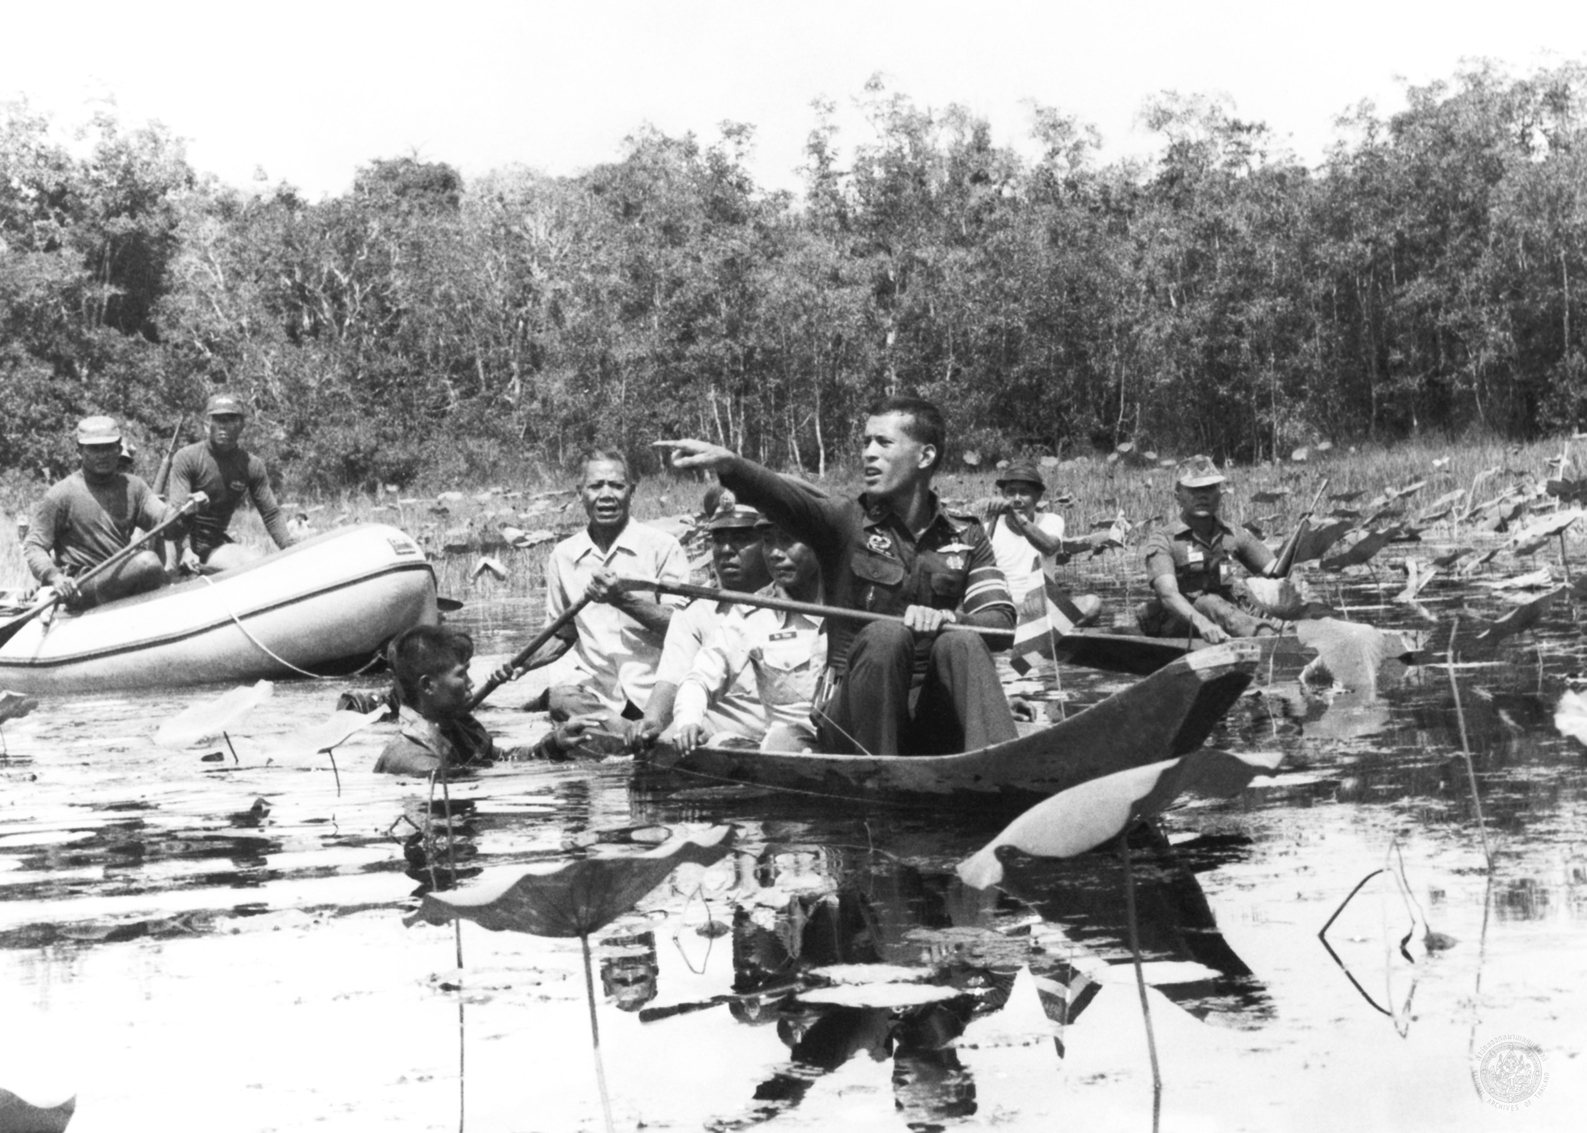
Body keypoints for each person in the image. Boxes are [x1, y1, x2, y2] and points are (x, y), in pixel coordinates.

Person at [660, 395, 1018, 756]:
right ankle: (880, 775)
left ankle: (1006, 767)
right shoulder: (844, 520)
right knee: (886, 635)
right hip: (853, 722)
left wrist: (949, 619)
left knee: (963, 640)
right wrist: (731, 466)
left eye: (884, 443)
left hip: (928, 716)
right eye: (866, 443)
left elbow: (1002, 625)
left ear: (925, 456)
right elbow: (784, 500)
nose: (868, 454)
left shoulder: (966, 534)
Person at [491, 450, 689, 724]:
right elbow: (562, 634)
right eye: (596, 486)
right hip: (598, 696)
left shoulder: (663, 547)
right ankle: (629, 733)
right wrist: (522, 663)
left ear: (631, 492)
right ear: (580, 493)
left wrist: (622, 600)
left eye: (617, 486)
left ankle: (628, 732)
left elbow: (683, 629)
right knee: (561, 699)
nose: (606, 495)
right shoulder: (563, 555)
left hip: (655, 691)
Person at [624, 490, 773, 749]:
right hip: (720, 736)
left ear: (767, 544)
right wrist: (652, 721)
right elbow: (671, 680)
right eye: (718, 539)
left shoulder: (796, 599)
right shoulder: (694, 610)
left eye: (741, 539)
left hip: (791, 734)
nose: (726, 550)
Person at [673, 519, 827, 752]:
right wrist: (688, 721)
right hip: (789, 749)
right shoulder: (753, 613)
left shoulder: (859, 602)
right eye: (768, 541)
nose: (775, 553)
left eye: (787, 540)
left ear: (819, 544)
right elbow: (701, 677)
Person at [22, 416, 197, 609]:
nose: (102, 455)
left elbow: (168, 528)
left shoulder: (134, 487)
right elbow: (34, 545)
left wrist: (187, 513)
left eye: (108, 447)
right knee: (147, 562)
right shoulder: (61, 494)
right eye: (94, 449)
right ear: (79, 451)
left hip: (121, 577)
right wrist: (54, 576)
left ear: (118, 449)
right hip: (82, 586)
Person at [373, 625, 595, 777]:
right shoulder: (415, 760)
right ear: (428, 686)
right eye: (461, 675)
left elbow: (502, 759)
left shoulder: (460, 726)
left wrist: (553, 744)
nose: (471, 683)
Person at [1136, 455, 1281, 643]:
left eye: (1209, 488)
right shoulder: (1164, 539)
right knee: (1209, 603)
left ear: (1220, 494)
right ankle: (1270, 638)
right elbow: (1168, 594)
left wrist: (1286, 609)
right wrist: (1202, 623)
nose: (1202, 496)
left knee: (1248, 601)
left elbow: (1278, 571)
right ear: (1178, 497)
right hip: (1181, 623)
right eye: (1194, 490)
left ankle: (1279, 634)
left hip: (1227, 616)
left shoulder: (1234, 534)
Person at [165, 392, 295, 573]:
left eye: (230, 420)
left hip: (212, 546)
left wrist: (290, 548)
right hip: (177, 543)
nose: (223, 426)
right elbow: (177, 511)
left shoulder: (251, 465)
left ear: (242, 425)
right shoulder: (187, 457)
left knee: (257, 567)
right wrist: (185, 550)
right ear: (207, 425)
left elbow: (271, 513)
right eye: (218, 420)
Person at [978, 460, 1102, 625]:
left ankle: (1038, 631)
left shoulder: (1051, 521)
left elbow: (1050, 547)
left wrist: (1015, 516)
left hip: (1042, 611)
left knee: (1091, 604)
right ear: (1003, 495)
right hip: (1003, 612)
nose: (1016, 499)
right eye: (1011, 493)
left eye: (1024, 492)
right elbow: (978, 574)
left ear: (1037, 497)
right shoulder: (987, 528)